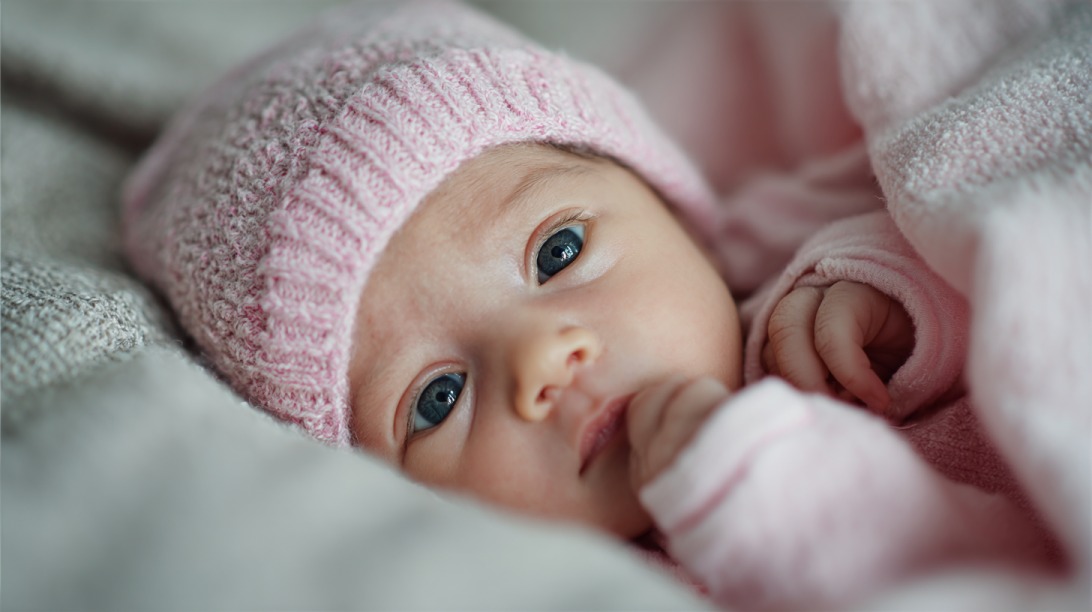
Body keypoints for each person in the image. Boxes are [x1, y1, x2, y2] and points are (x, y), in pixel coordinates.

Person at [122, 1, 1057, 608]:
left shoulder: (800, 268)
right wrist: (742, 484)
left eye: (559, 251)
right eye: (435, 399)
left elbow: (1014, 250)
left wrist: (891, 290)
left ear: (672, 204)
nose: (540, 363)